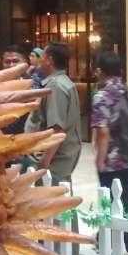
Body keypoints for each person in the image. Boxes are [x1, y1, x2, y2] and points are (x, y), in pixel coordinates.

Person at [91, 51, 128, 255]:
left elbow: (103, 132)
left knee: (110, 200)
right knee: (125, 198)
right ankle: (124, 244)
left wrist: (100, 159)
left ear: (99, 71)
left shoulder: (101, 95)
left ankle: (123, 246)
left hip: (113, 159)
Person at [25, 42, 81, 184]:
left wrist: (45, 162)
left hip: (53, 163)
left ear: (49, 60)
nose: (40, 60)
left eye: (42, 56)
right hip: (59, 160)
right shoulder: (64, 82)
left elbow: (56, 128)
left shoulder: (55, 86)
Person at [1, 45, 32, 135]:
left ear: (25, 63)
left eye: (15, 61)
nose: (11, 65)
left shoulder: (35, 85)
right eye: (7, 62)